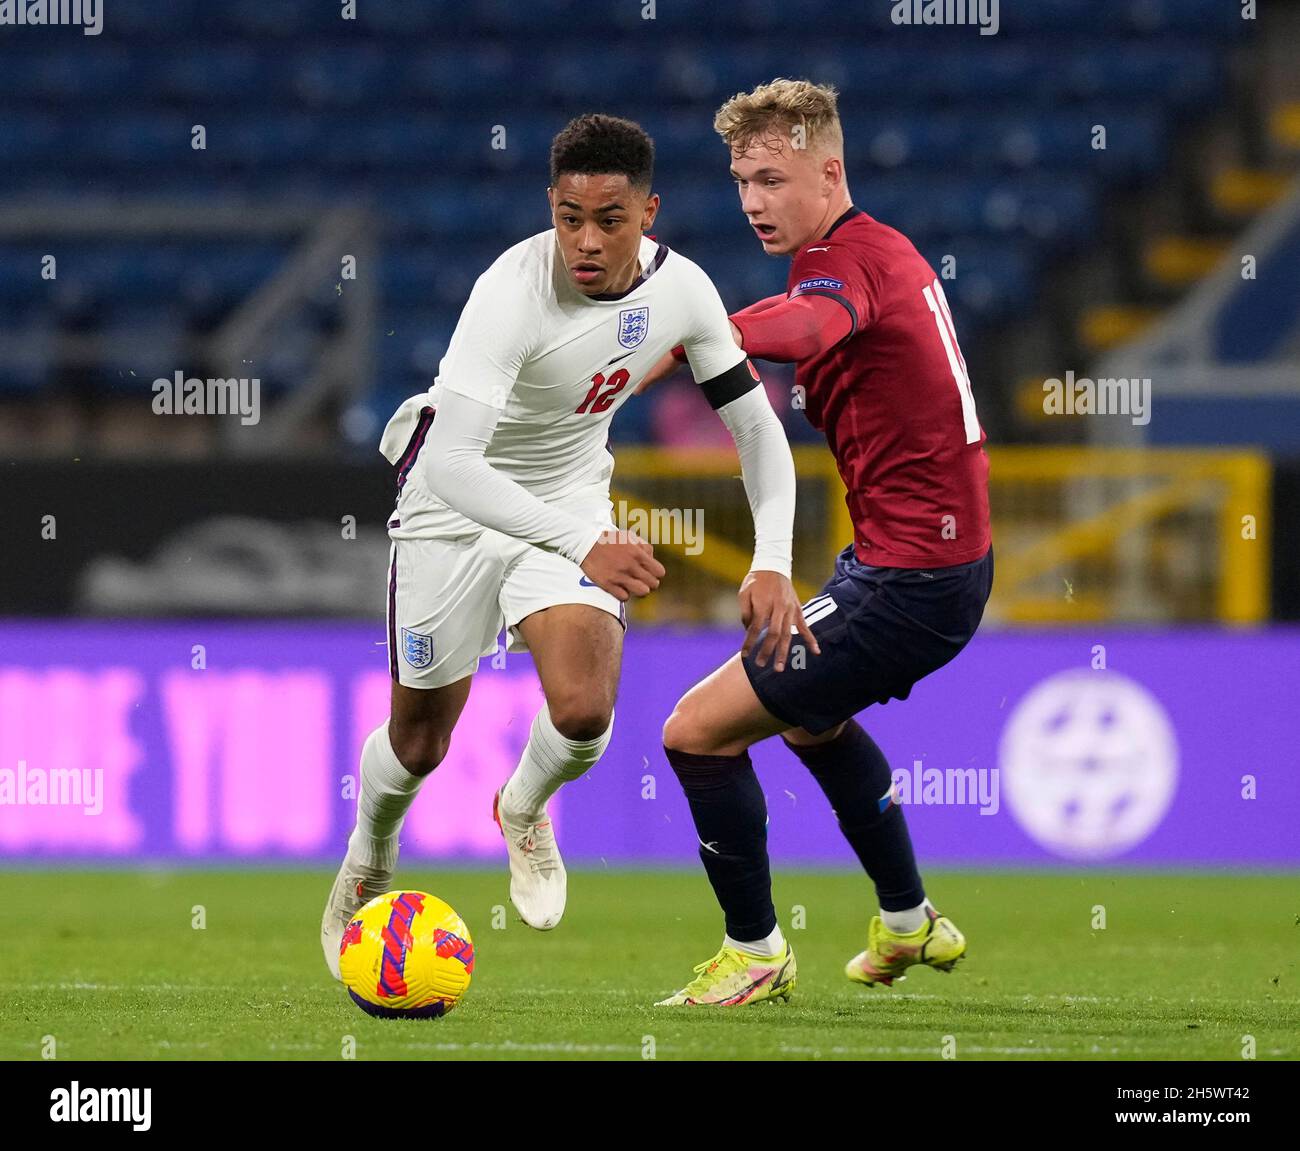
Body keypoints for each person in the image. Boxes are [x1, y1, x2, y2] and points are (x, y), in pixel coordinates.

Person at [321, 113, 812, 981]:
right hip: (452, 506)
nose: (585, 240)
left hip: (567, 498)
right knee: (419, 743)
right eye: (568, 216)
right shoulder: (510, 290)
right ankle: (369, 852)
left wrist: (771, 556)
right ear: (550, 206)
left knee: (584, 711)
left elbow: (758, 433)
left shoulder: (686, 294)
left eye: (609, 220)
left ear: (648, 213)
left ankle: (521, 807)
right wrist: (586, 541)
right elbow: (456, 463)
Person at [646, 80, 994, 1007]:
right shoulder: (873, 252)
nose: (753, 200)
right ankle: (909, 919)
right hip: (920, 563)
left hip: (913, 579)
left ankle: (755, 951)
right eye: (739, 181)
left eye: (771, 177)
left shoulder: (846, 264)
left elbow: (808, 327)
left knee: (695, 734)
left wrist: (691, 338)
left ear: (829, 170)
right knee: (808, 716)